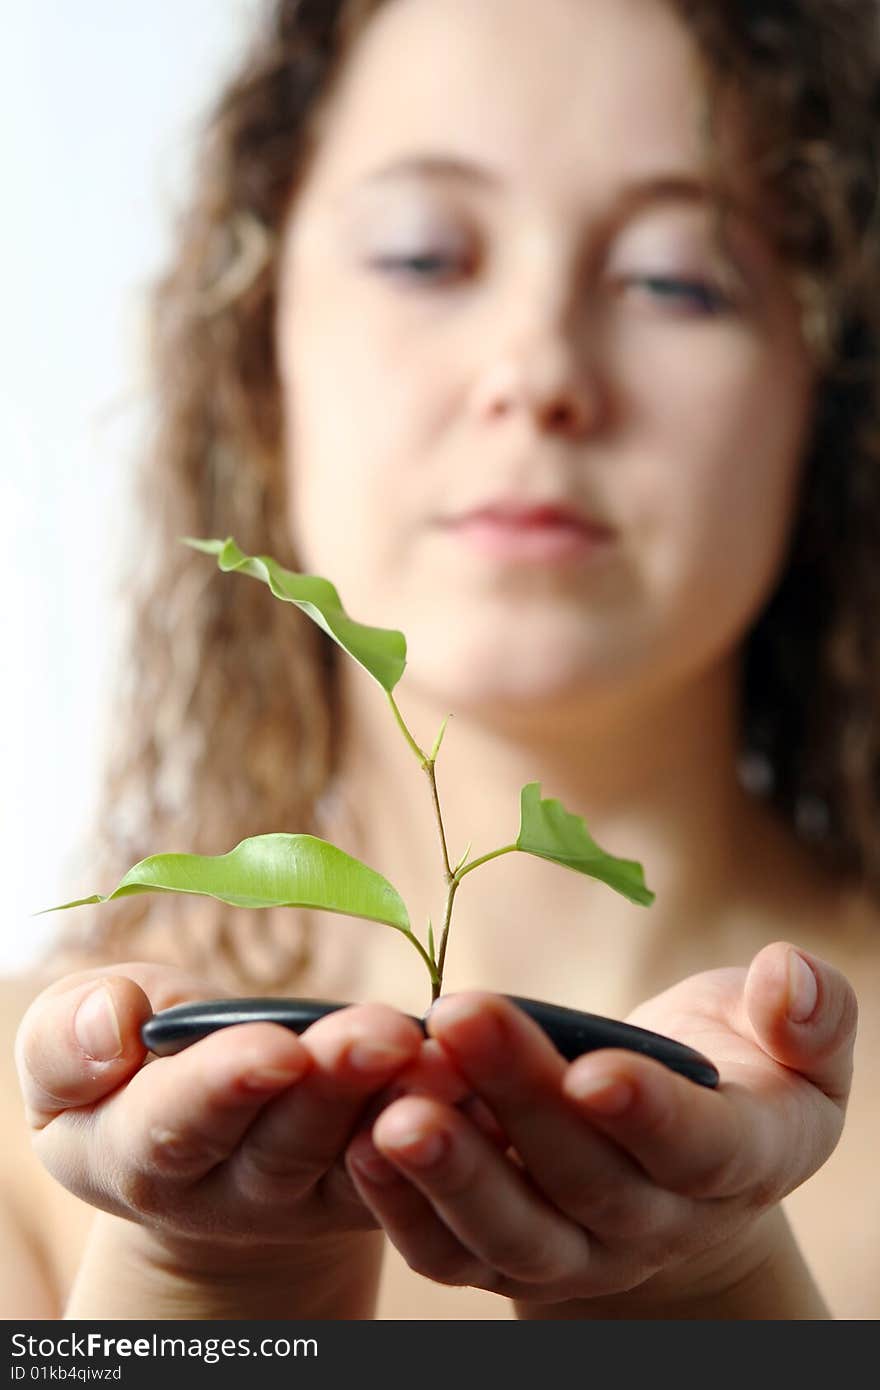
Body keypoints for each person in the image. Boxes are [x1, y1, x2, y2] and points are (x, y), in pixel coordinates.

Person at [3, 0, 879, 1320]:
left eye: (676, 279)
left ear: (827, 395)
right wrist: (209, 1272)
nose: (537, 369)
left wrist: (703, 1294)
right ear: (258, 346)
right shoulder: (37, 1125)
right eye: (422, 256)